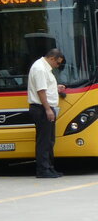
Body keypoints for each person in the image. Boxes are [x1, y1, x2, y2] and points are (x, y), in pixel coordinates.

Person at [28, 47, 66, 178]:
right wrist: (48, 109)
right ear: (51, 58)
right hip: (42, 109)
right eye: (58, 63)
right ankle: (43, 170)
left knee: (49, 140)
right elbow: (41, 91)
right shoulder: (39, 68)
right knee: (44, 141)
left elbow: (45, 87)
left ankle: (49, 168)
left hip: (45, 108)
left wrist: (55, 88)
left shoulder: (44, 68)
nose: (58, 66)